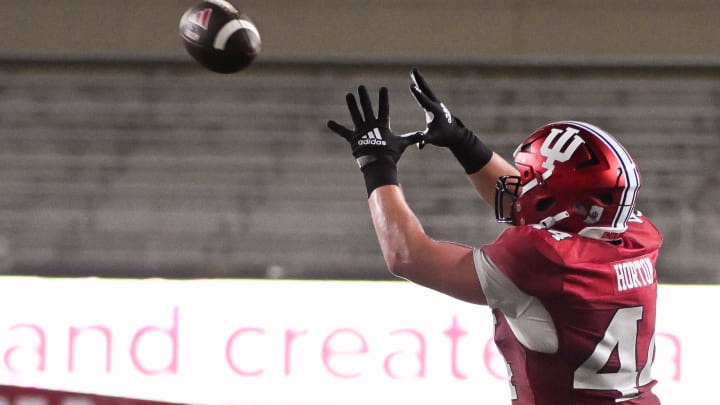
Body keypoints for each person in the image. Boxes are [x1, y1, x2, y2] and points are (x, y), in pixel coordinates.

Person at [327, 68, 663, 405]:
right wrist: (461, 140)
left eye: (530, 179)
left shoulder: (542, 259)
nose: (520, 183)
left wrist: (376, 164)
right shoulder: (638, 236)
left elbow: (408, 257)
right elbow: (539, 205)